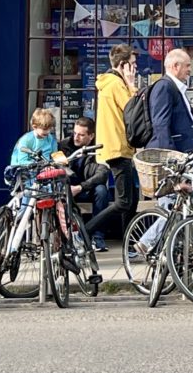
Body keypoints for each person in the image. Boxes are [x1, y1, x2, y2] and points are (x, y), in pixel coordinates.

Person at [86, 44, 138, 241]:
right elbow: (132, 111)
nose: (135, 68)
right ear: (123, 65)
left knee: (131, 200)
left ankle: (129, 242)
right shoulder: (116, 84)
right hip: (118, 148)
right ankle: (84, 232)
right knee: (124, 202)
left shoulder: (109, 82)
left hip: (118, 147)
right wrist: (132, 85)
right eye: (132, 64)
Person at [59, 116, 110, 252]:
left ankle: (97, 238)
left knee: (102, 190)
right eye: (75, 133)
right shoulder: (63, 146)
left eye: (81, 135)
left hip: (86, 188)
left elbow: (103, 173)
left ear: (91, 136)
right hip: (67, 188)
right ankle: (68, 238)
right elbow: (57, 167)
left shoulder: (98, 149)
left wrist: (81, 187)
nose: (76, 137)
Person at [148, 48, 193, 153]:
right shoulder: (164, 87)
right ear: (175, 66)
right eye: (187, 65)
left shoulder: (174, 87)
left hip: (182, 156)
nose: (190, 69)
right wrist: (170, 155)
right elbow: (160, 125)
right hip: (173, 159)